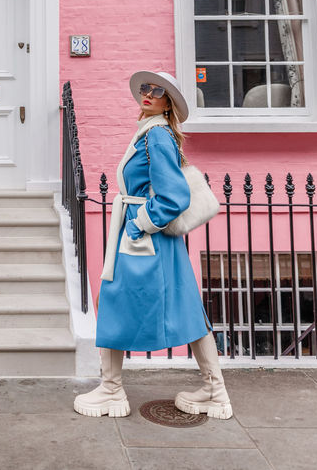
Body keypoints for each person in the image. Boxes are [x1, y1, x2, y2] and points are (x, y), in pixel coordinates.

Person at [73, 70, 233, 421]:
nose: (148, 93)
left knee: (114, 298)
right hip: (155, 240)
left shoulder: (156, 135)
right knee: (186, 305)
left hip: (146, 237)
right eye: (145, 88)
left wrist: (139, 225)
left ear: (168, 102)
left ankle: (112, 390)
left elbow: (174, 195)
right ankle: (214, 390)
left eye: (157, 91)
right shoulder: (153, 132)